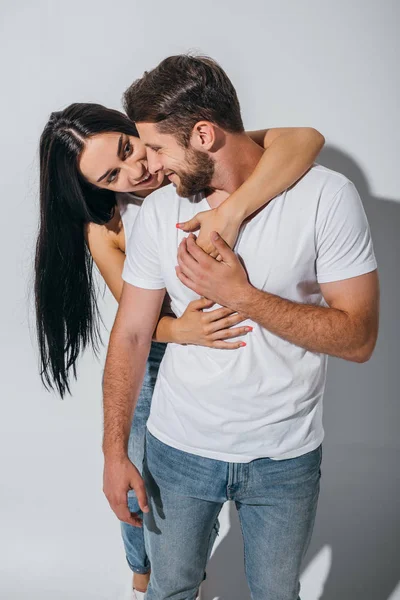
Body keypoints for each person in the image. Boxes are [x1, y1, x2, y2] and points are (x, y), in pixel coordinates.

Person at [102, 55, 380, 600]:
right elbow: (132, 335)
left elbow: (359, 338)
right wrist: (114, 452)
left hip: (285, 458)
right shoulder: (159, 211)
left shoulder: (326, 197)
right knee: (170, 590)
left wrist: (244, 298)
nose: (150, 167)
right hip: (177, 449)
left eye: (157, 148)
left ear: (203, 134)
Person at [36, 102, 324, 597]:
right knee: (140, 472)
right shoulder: (107, 228)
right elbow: (135, 322)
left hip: (232, 347)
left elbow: (304, 139)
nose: (138, 170)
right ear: (96, 189)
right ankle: (145, 574)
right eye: (113, 175)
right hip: (159, 345)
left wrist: (230, 212)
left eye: (130, 149)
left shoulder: (185, 155)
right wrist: (182, 333)